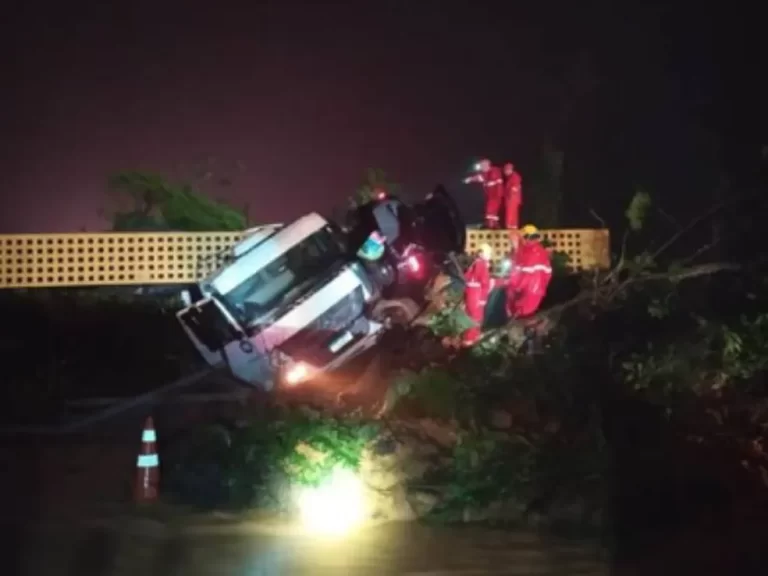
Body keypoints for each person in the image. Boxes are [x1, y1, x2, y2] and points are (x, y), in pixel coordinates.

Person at [505, 224, 552, 320]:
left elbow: (522, 276)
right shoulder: (541, 252)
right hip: (536, 292)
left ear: (526, 237)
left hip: (525, 294)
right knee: (526, 318)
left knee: (519, 319)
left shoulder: (527, 253)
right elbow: (547, 275)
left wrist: (514, 286)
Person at [462, 243, 492, 346]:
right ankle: (471, 338)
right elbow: (485, 283)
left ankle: (471, 336)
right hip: (477, 293)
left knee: (470, 315)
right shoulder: (482, 264)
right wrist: (483, 299)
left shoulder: (474, 263)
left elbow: (466, 278)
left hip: (471, 293)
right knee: (476, 317)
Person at [464, 158, 504, 228]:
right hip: (491, 195)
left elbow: (493, 180)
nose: (482, 168)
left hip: (496, 194)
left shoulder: (494, 170)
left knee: (490, 210)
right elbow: (479, 178)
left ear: (487, 165)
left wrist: (489, 183)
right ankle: (492, 225)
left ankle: (491, 225)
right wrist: (470, 179)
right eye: (481, 166)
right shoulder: (485, 173)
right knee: (491, 210)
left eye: (483, 166)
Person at [502, 163, 522, 230]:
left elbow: (515, 187)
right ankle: (513, 227)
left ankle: (509, 227)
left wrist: (510, 193)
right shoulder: (511, 177)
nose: (505, 172)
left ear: (509, 170)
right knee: (513, 214)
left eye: (505, 171)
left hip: (512, 198)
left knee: (510, 213)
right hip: (512, 198)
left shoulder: (515, 176)